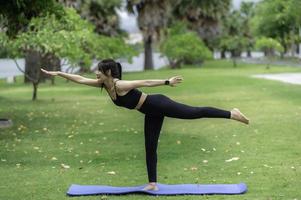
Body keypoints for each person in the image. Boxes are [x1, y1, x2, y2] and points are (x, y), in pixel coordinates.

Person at [41, 59, 249, 191]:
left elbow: (145, 82)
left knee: (194, 113)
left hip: (158, 103)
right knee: (150, 146)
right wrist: (59, 74)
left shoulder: (119, 85)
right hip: (149, 112)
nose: (96, 74)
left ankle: (232, 113)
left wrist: (167, 82)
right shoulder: (102, 85)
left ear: (109, 74)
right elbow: (79, 78)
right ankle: (153, 183)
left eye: (99, 71)